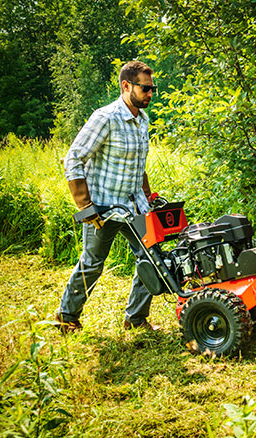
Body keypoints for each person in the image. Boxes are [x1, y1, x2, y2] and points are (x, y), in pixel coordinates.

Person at [56, 60, 160, 334]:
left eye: (152, 89)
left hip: (134, 206)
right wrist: (85, 205)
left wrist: (147, 196)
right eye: (145, 88)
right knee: (92, 263)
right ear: (126, 86)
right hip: (102, 207)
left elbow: (138, 163)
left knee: (151, 257)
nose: (150, 94)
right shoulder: (106, 117)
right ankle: (67, 316)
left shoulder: (142, 119)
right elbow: (74, 158)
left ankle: (135, 318)